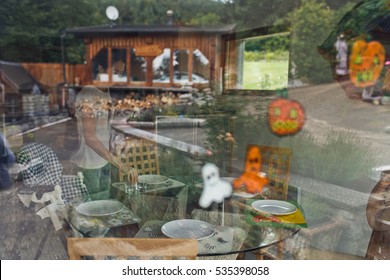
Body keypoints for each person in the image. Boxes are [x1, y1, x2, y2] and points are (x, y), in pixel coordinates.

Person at [71, 85, 137, 200]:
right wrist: (121, 165)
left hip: (104, 161)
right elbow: (90, 138)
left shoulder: (106, 92)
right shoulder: (87, 95)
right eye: (116, 70)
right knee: (94, 210)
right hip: (89, 165)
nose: (119, 74)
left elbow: (105, 127)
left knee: (105, 205)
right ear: (101, 69)